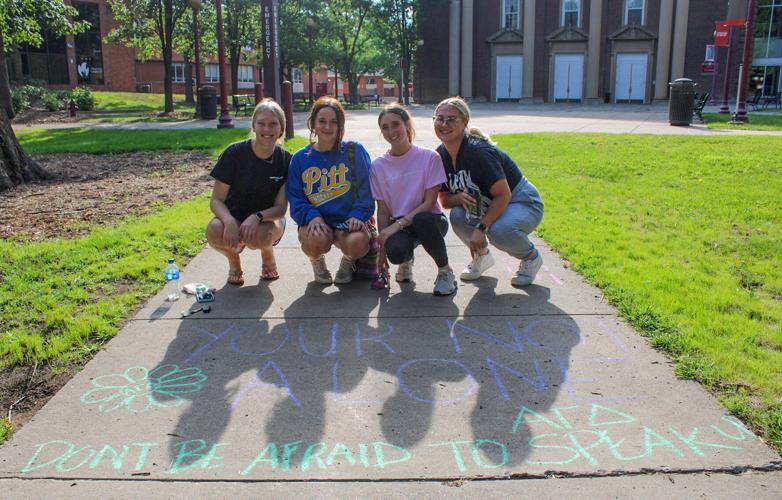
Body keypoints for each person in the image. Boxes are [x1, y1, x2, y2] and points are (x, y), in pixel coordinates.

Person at [434, 96, 544, 287]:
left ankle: (531, 257)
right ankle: (482, 256)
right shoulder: (440, 156)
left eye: (451, 119)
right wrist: (458, 197)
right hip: (488, 203)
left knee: (499, 231)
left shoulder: (479, 153)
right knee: (458, 216)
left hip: (521, 201)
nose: (444, 124)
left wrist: (481, 228)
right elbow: (444, 200)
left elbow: (504, 194)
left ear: (465, 122)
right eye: (439, 118)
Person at [286, 96, 374, 285]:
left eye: (334, 122)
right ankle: (317, 260)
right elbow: (295, 197)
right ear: (313, 124)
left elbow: (367, 190)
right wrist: (312, 216)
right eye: (322, 121)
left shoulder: (354, 151)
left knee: (357, 242)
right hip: (318, 222)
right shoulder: (300, 158)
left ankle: (348, 261)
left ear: (340, 125)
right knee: (314, 240)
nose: (328, 127)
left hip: (348, 222)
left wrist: (359, 214)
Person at [370, 104, 456, 296]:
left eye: (395, 124)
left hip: (431, 220)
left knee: (422, 219)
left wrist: (396, 226)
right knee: (396, 251)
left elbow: (429, 202)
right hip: (400, 225)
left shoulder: (429, 158)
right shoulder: (378, 166)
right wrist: (381, 256)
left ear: (407, 124)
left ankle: (445, 271)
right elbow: (383, 211)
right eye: (385, 127)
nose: (391, 131)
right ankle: (405, 261)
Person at [206, 98, 291, 286]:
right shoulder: (233, 153)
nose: (266, 130)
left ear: (281, 129)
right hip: (234, 216)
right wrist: (228, 221)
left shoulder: (286, 161)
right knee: (213, 231)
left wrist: (257, 217)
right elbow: (216, 200)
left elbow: (280, 208)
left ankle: (267, 254)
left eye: (273, 124)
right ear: (253, 126)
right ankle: (234, 260)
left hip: (267, 220)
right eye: (261, 123)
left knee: (261, 238)